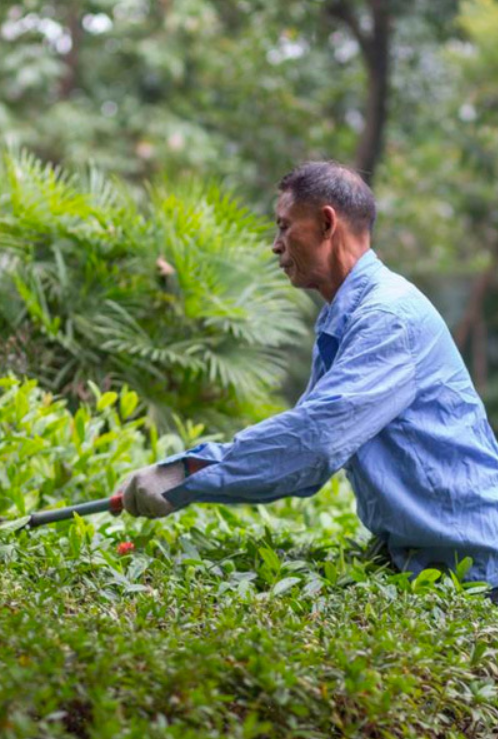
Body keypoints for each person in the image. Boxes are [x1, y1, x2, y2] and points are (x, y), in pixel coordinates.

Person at [119, 160, 498, 591]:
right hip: (419, 561)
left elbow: (312, 443)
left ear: (326, 223)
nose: (275, 245)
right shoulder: (345, 317)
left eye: (284, 227)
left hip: (478, 569)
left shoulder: (388, 318)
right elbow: (305, 453)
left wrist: (182, 476)